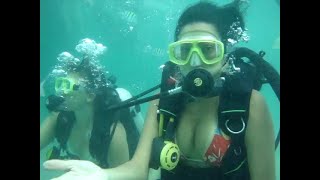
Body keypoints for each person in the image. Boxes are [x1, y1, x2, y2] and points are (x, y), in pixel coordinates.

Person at [43, 1, 278, 180]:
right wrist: (103, 175)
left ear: (225, 57)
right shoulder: (163, 103)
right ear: (175, 58)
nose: (196, 62)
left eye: (208, 50)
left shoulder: (249, 104)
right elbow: (138, 168)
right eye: (184, 51)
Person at [40, 40, 142, 169]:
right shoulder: (59, 118)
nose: (62, 93)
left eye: (69, 86)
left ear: (90, 95)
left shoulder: (112, 133)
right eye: (61, 84)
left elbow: (125, 176)